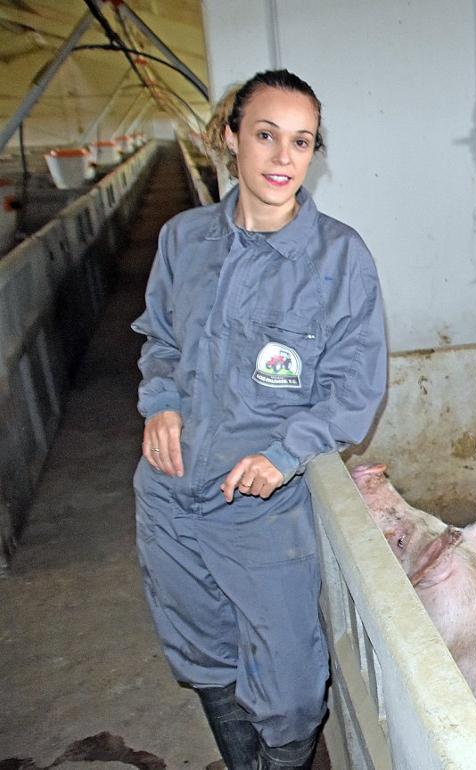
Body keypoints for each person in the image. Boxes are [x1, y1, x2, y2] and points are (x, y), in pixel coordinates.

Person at [131, 70, 387, 770]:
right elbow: (161, 340)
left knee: (294, 692)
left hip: (262, 507)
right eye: (266, 135)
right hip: (171, 492)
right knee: (205, 656)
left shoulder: (338, 258)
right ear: (230, 137)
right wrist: (161, 403)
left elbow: (353, 388)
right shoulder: (184, 240)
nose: (282, 157)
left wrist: (286, 452)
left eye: (301, 142)